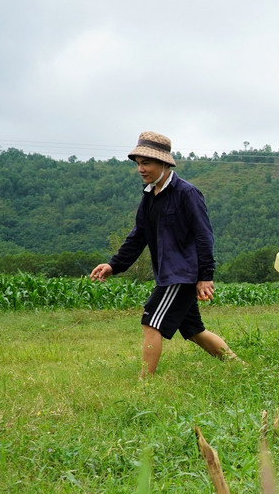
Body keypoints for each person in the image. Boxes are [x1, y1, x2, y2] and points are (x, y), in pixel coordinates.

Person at [90, 131, 239, 377]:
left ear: (163, 163)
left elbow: (204, 236)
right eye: (138, 163)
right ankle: (239, 367)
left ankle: (145, 383)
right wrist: (113, 265)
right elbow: (138, 236)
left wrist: (205, 275)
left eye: (146, 163)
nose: (141, 169)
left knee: (150, 321)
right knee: (193, 330)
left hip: (180, 274)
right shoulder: (149, 195)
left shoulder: (187, 193)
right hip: (169, 274)